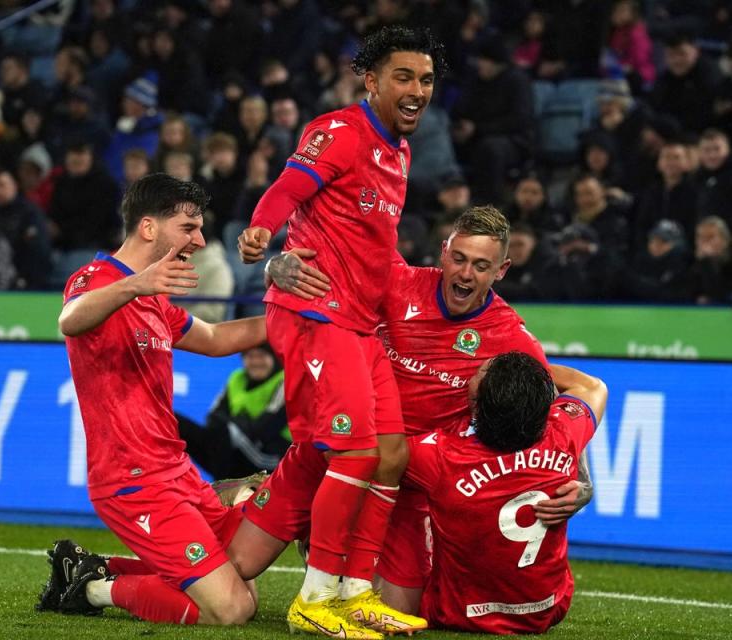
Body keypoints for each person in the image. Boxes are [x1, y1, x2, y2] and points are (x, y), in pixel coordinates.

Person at [232, 206, 593, 615]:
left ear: (501, 270)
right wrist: (276, 267)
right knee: (240, 566)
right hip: (335, 452)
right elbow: (311, 264)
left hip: (405, 485)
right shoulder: (394, 280)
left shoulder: (511, 339)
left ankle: (329, 536)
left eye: (480, 265)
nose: (465, 274)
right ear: (443, 252)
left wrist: (581, 481)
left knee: (395, 611)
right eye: (458, 259)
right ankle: (245, 496)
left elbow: (543, 413)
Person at [236, 25, 446, 638]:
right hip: (315, 313)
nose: (416, 90)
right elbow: (290, 187)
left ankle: (356, 592)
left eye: (426, 80)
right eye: (403, 77)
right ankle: (315, 596)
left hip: (360, 323)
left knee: (390, 455)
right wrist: (261, 232)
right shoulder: (340, 132)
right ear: (372, 80)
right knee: (353, 451)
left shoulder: (399, 152)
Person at [35, 174, 266, 627]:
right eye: (188, 227)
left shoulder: (156, 299)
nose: (199, 240)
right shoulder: (96, 279)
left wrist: (302, 318)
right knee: (231, 609)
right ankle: (93, 590)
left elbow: (218, 338)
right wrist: (134, 285)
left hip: (176, 474)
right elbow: (69, 320)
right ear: (147, 228)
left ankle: (91, 569)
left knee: (243, 578)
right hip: (131, 480)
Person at [406, 354, 606, 634]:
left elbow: (372, 457)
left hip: (453, 614)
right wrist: (529, 376)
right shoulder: (562, 433)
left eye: (479, 372)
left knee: (401, 503)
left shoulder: (440, 455)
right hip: (546, 610)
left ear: (479, 403)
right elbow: (592, 387)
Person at [178, 342, 289, 479]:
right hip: (233, 448)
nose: (256, 362)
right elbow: (213, 417)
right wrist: (236, 424)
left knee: (224, 432)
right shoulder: (237, 378)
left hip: (271, 456)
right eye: (250, 356)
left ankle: (221, 491)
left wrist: (234, 425)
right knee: (176, 423)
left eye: (261, 356)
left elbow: (268, 426)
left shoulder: (284, 380)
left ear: (273, 357)